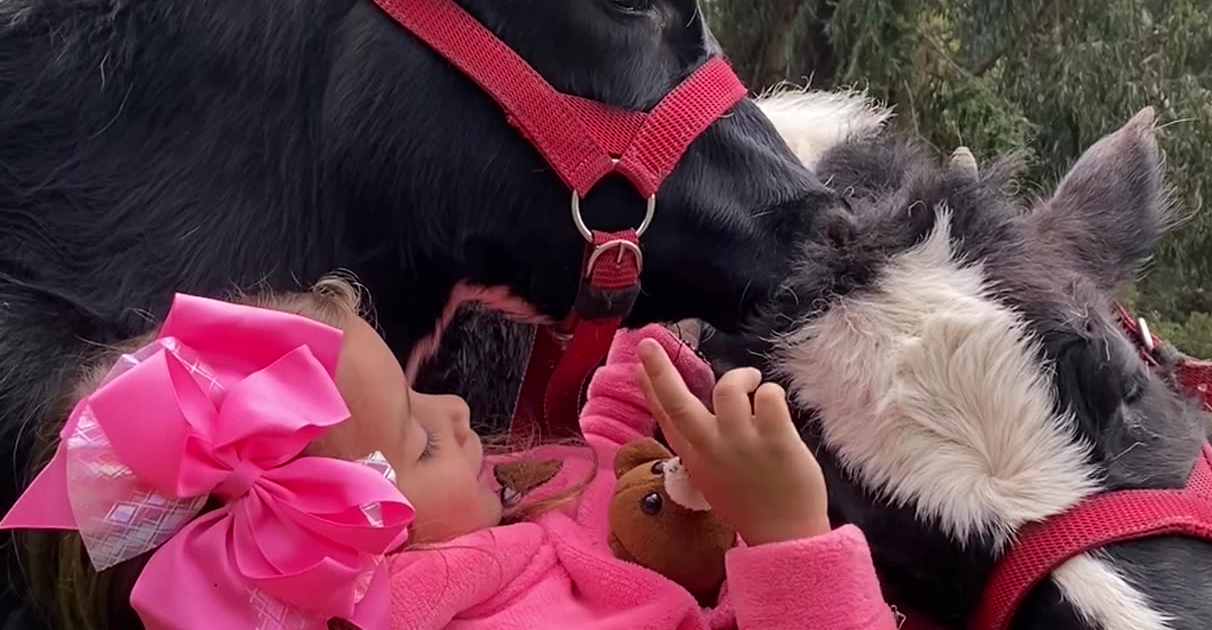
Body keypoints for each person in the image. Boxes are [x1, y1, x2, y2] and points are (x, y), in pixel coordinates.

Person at [2, 276, 897, 630]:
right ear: (335, 579)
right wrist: (790, 540)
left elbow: (586, 487)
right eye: (420, 439)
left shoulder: (470, 528)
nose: (461, 410)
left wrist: (643, 357)